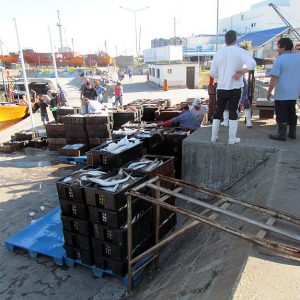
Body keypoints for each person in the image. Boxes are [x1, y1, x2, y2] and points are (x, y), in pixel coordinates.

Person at [210, 30, 256, 144]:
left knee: (218, 111)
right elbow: (252, 64)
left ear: (225, 40)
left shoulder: (218, 53)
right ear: (235, 40)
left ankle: (213, 137)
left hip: (221, 87)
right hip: (235, 87)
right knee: (233, 112)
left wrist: (222, 75)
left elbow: (212, 73)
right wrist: (242, 72)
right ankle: (231, 139)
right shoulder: (240, 51)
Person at [267, 37, 300, 141]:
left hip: (282, 92)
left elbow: (274, 78)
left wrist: (269, 92)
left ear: (284, 47)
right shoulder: (299, 57)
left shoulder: (280, 59)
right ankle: (292, 133)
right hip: (295, 91)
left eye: (278, 47)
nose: (278, 49)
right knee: (291, 112)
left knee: (281, 113)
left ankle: (281, 135)